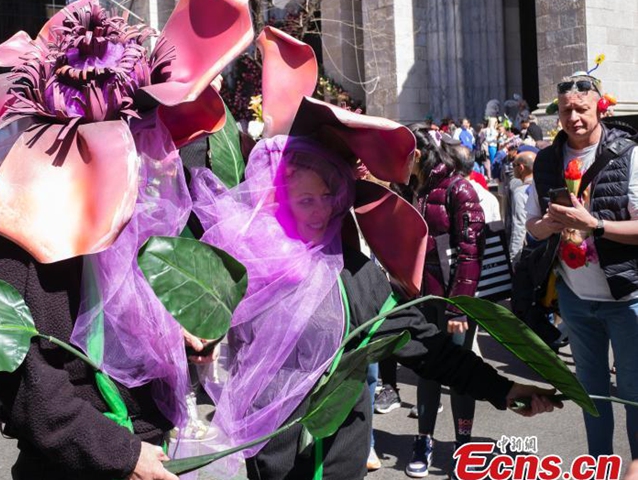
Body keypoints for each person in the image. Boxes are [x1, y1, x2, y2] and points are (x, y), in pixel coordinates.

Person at [189, 135, 558, 480]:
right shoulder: (246, 266)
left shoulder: (353, 273)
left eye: (326, 196)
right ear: (277, 201)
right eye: (305, 200)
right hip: (269, 453)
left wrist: (503, 389)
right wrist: (198, 340)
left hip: (337, 457)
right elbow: (196, 325)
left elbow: (422, 345)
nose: (320, 212)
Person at [526, 72, 638, 460]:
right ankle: (600, 464)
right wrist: (548, 225)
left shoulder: (628, 154)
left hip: (627, 298)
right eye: (565, 110)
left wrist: (597, 226)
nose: (573, 117)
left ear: (599, 106)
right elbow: (533, 227)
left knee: (635, 396)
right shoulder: (545, 161)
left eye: (581, 108)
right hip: (575, 299)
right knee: (591, 396)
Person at [407, 123, 486, 478]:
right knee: (426, 369)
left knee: (458, 374)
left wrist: (460, 308)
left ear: (418, 156)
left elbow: (472, 252)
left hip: (456, 303)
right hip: (423, 299)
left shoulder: (460, 189)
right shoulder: (415, 188)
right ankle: (423, 439)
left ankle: (463, 445)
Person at [509, 150, 536, 263]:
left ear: (521, 167)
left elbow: (519, 225)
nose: (512, 168)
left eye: (513, 165)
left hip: (530, 248)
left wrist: (514, 257)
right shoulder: (540, 187)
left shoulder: (520, 192)